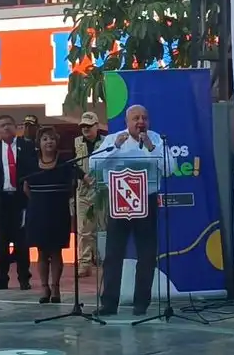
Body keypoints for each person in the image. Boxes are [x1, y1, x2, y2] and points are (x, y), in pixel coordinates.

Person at [89, 104, 177, 316]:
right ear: (127, 122)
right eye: (136, 118)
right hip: (119, 204)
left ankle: (141, 303)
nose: (141, 122)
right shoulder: (113, 139)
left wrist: (150, 147)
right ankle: (109, 303)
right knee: (112, 255)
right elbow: (93, 164)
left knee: (146, 256)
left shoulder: (155, 139)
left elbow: (170, 168)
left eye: (144, 118)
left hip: (146, 202)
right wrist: (116, 148)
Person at [0, 114, 36, 290]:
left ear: (16, 127)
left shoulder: (27, 147)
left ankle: (24, 278)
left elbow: (35, 171)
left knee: (22, 242)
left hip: (21, 201)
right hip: (0, 202)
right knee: (1, 243)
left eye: (9, 124)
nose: (6, 128)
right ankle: (1, 278)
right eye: (2, 126)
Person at [24, 127, 82, 303]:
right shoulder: (31, 163)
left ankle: (56, 288)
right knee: (42, 252)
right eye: (44, 139)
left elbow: (77, 182)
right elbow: (26, 188)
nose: (48, 142)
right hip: (38, 212)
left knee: (56, 251)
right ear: (39, 143)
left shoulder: (65, 162)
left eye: (52, 139)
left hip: (58, 212)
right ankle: (44, 288)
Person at [74, 111, 107, 277]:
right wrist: (83, 176)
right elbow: (71, 165)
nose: (85, 129)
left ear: (96, 126)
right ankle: (84, 263)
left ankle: (105, 261)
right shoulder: (76, 142)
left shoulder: (106, 141)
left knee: (104, 227)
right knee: (84, 230)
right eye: (83, 126)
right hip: (83, 192)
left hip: (103, 191)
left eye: (89, 126)